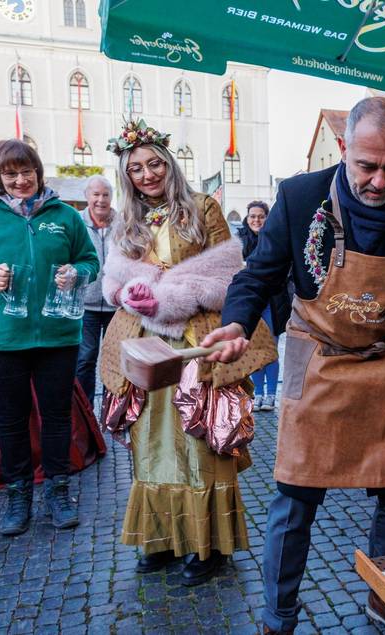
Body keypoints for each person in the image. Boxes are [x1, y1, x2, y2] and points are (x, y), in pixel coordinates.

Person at [202, 97, 385, 635]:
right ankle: (278, 616)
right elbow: (259, 275)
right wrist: (237, 323)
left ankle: (383, 599)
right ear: (344, 150)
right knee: (295, 497)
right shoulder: (300, 197)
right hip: (316, 356)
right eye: (366, 166)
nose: (378, 180)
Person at [97, 119, 250, 587]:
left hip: (195, 343)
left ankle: (208, 547)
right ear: (126, 176)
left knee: (198, 441)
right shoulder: (127, 221)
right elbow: (113, 282)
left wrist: (175, 295)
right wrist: (129, 296)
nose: (147, 174)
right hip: (145, 344)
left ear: (169, 164)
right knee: (151, 444)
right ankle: (162, 538)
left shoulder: (203, 208)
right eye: (137, 168)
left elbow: (231, 275)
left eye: (154, 163)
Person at [0, 139, 100, 535]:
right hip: (2, 338)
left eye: (26, 171)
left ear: (38, 171)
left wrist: (77, 273)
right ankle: (18, 495)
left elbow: (90, 261)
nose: (20, 180)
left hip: (57, 334)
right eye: (10, 174)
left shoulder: (65, 216)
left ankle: (58, 490)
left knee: (55, 417)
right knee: (12, 421)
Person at [236, 200, 291, 411]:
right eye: (252, 216)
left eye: (261, 216)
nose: (256, 220)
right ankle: (257, 394)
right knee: (253, 349)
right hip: (251, 303)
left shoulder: (276, 238)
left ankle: (269, 396)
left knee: (271, 349)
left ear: (267, 218)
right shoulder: (240, 241)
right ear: (247, 218)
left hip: (273, 302)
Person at [76, 175, 117, 403]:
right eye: (96, 194)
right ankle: (85, 410)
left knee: (115, 360)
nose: (101, 200)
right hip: (86, 305)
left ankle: (114, 412)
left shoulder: (122, 223)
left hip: (116, 305)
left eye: (105, 195)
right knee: (85, 358)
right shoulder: (76, 222)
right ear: (86, 196)